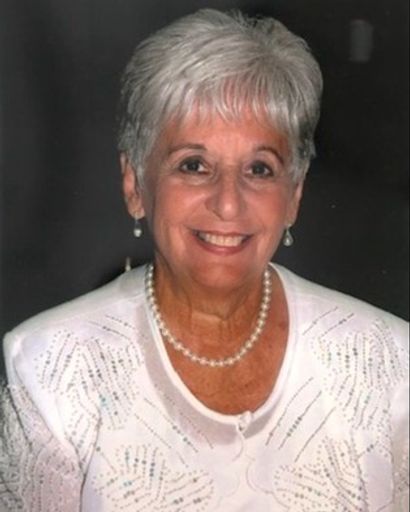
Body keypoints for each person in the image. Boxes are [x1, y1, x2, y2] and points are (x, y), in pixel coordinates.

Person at [0, 8, 408, 512]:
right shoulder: (49, 367)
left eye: (260, 169)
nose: (228, 204)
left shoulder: (390, 363)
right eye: (194, 165)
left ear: (294, 195)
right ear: (135, 184)